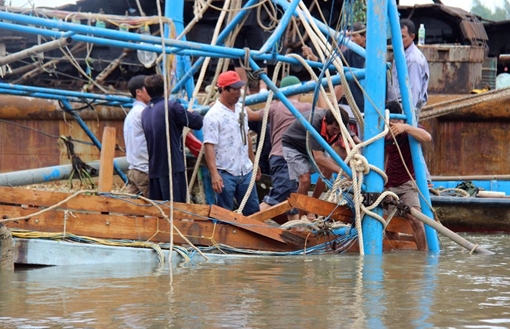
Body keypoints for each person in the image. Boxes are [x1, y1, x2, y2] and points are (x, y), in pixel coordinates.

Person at [247, 75, 313, 220]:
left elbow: (251, 116)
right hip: (287, 160)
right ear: (301, 92)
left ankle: (297, 233)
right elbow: (326, 111)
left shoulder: (275, 107)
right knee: (279, 197)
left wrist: (240, 105)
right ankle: (243, 223)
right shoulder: (306, 108)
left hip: (278, 158)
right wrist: (317, 89)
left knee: (291, 200)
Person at [203, 70, 261, 216]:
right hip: (225, 172)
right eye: (234, 89)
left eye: (239, 89)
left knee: (253, 212)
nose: (238, 92)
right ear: (224, 90)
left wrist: (253, 163)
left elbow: (246, 136)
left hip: (245, 170)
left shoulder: (241, 110)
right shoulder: (213, 115)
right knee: (224, 214)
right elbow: (208, 146)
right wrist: (214, 174)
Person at [141, 74, 203, 202]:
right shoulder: (171, 107)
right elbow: (197, 123)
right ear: (166, 89)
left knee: (160, 211)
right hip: (172, 169)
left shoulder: (145, 112)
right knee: (177, 209)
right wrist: (194, 113)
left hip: (154, 169)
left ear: (147, 91)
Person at [281, 108, 352, 219]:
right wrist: (344, 172)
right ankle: (302, 215)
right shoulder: (314, 123)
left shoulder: (341, 122)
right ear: (325, 121)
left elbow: (353, 139)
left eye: (339, 130)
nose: (336, 132)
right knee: (305, 180)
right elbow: (319, 158)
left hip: (313, 147)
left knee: (328, 169)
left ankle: (312, 205)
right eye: (333, 128)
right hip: (294, 146)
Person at [384, 101, 429, 251]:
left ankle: (424, 257)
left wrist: (406, 127)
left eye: (396, 121)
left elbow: (427, 138)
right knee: (390, 226)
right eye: (391, 121)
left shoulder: (410, 129)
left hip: (407, 184)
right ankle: (394, 263)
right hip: (389, 185)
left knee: (416, 220)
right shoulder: (384, 133)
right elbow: (383, 159)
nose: (393, 124)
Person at [304, 22, 367, 113]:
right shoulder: (348, 54)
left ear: (364, 37)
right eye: (350, 36)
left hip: (367, 103)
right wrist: (314, 58)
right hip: (353, 105)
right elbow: (332, 66)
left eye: (354, 36)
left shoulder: (372, 55)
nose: (351, 40)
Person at [387, 18, 430, 121]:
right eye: (397, 36)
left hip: (405, 111)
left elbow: (414, 90)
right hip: (396, 108)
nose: (399, 40)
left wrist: (407, 117)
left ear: (412, 37)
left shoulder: (413, 59)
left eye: (402, 37)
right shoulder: (401, 54)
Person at [123, 75, 151, 197]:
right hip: (145, 171)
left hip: (134, 169)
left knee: (131, 210)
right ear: (138, 92)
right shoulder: (144, 113)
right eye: (148, 88)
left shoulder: (132, 114)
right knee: (158, 210)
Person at [233, 0, 268, 94]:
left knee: (260, 54)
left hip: (253, 19)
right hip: (233, 18)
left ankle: (263, 86)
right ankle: (243, 87)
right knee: (236, 56)